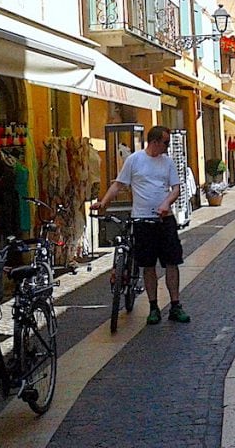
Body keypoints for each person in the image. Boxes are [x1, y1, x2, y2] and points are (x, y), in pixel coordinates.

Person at [92, 125, 190, 325]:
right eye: (166, 142)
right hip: (142, 220)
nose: (168, 146)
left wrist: (166, 204)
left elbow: (176, 189)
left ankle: (175, 305)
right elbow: (118, 184)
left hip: (165, 220)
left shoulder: (168, 162)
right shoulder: (134, 160)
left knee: (172, 263)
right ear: (155, 142)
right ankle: (153, 307)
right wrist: (104, 202)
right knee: (147, 265)